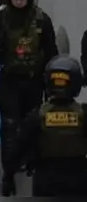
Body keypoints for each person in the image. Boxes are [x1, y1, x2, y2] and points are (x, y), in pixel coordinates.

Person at [0, 0, 59, 196]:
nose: (18, 2)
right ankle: (8, 172)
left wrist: (51, 83)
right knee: (9, 126)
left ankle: (31, 162)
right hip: (9, 80)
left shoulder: (42, 20)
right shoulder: (1, 18)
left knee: (31, 124)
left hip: (34, 81)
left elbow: (51, 52)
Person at [20, 56, 87, 196]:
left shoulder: (37, 115)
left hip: (45, 177)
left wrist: (10, 174)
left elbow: (23, 144)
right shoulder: (83, 113)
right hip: (78, 177)